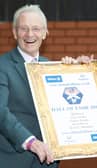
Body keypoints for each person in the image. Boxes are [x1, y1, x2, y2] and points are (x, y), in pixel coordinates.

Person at [0, 4, 59, 168]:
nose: (30, 34)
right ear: (14, 32)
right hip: (12, 160)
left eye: (36, 28)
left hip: (48, 160)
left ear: (45, 33)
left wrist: (79, 70)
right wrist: (30, 142)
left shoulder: (53, 67)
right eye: (23, 29)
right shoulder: (2, 65)